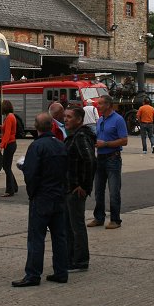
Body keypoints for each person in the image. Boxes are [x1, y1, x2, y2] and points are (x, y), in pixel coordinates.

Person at [12, 112, 68, 287]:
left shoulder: (36, 146)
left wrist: (32, 192)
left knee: (36, 237)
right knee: (59, 236)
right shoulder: (61, 145)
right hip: (58, 195)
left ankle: (33, 274)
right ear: (52, 126)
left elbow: (32, 173)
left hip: (42, 196)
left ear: (36, 128)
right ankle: (61, 271)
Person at [87, 95, 128, 229]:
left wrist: (106, 144)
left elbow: (124, 140)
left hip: (113, 158)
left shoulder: (118, 120)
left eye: (100, 104)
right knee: (98, 190)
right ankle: (99, 218)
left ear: (109, 105)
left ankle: (115, 220)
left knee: (114, 191)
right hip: (101, 158)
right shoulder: (100, 120)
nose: (98, 106)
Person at [64, 106, 96, 271]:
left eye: (69, 117)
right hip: (70, 187)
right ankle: (72, 259)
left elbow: (89, 160)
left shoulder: (80, 137)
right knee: (70, 226)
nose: (66, 119)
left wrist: (82, 186)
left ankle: (81, 261)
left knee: (76, 226)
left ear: (78, 119)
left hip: (75, 190)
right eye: (65, 116)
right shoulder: (75, 136)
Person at [0, 100, 18, 198]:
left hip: (9, 144)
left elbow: (7, 134)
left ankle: (9, 190)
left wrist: (1, 146)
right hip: (12, 143)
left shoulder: (9, 117)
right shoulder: (11, 116)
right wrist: (1, 127)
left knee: (6, 166)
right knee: (7, 166)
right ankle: (14, 186)